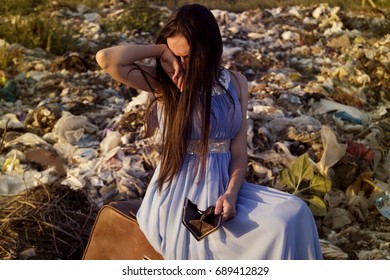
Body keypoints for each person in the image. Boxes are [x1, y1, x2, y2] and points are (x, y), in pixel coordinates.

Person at [95, 3, 323, 260]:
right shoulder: (166, 83)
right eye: (175, 54)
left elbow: (238, 152)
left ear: (210, 47)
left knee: (296, 212)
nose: (183, 63)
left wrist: (231, 193)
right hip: (181, 195)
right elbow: (106, 59)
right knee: (273, 229)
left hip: (225, 187)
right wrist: (160, 52)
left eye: (189, 55)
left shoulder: (236, 82)